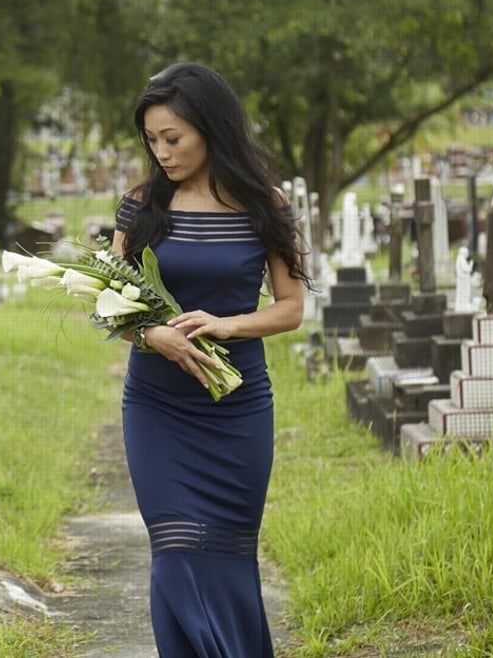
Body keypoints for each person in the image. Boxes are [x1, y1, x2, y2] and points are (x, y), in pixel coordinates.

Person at [111, 62, 312, 657]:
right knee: (175, 550)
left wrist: (226, 324)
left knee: (226, 553)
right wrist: (154, 335)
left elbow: (291, 308)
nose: (161, 152)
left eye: (173, 138)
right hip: (157, 407)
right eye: (152, 140)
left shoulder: (264, 205)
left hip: (237, 410)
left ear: (210, 128)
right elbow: (107, 303)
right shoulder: (141, 205)